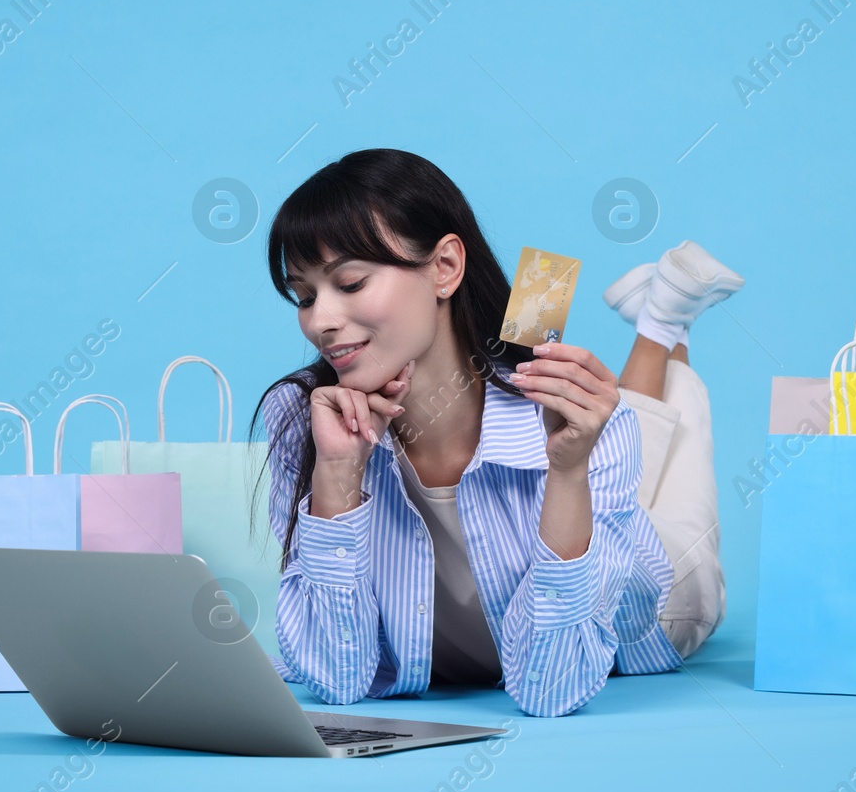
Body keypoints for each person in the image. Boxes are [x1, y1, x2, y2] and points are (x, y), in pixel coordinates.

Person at [247, 149, 741, 717]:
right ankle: (661, 321)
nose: (320, 321)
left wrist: (570, 469)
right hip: (579, 464)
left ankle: (664, 327)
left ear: (445, 267)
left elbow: (551, 688)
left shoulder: (547, 413)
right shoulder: (304, 419)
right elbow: (334, 681)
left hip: (649, 607)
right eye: (304, 296)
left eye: (350, 283)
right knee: (617, 425)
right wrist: (337, 473)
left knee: (662, 435)